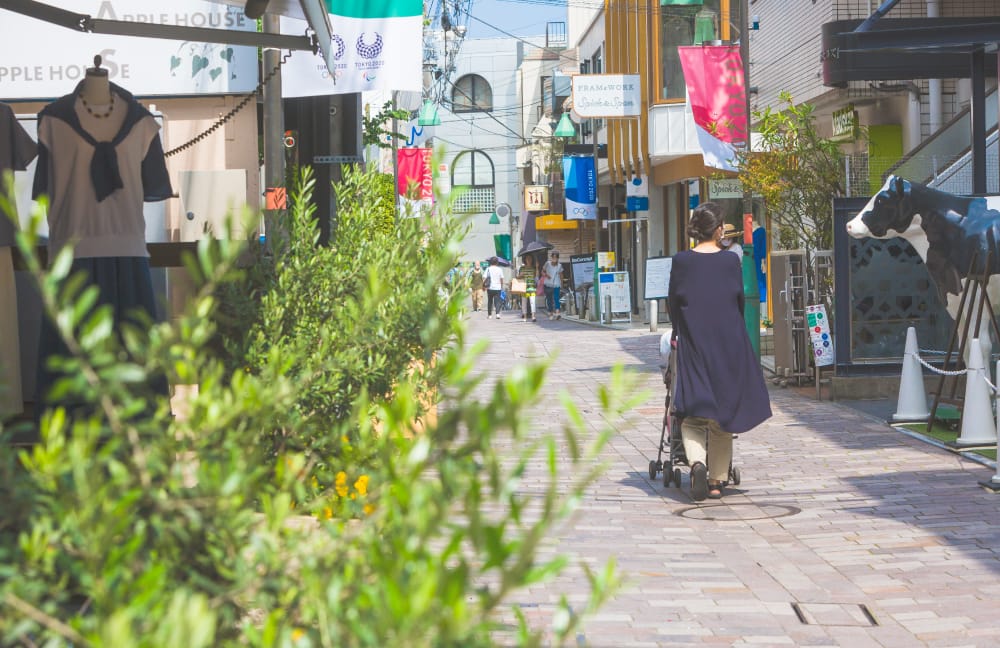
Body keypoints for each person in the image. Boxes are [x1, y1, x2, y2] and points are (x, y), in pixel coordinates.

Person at [667, 202, 771, 501]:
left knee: (693, 415)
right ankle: (715, 481)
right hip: (729, 342)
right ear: (717, 230)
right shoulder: (729, 261)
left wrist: (679, 329)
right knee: (723, 417)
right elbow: (739, 300)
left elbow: (674, 302)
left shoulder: (681, 261)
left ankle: (696, 461)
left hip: (695, 341)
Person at [541, 251, 564, 319]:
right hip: (548, 284)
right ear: (551, 257)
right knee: (549, 300)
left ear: (558, 258)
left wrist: (562, 284)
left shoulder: (559, 265)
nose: (554, 259)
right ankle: (550, 313)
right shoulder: (547, 263)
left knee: (556, 298)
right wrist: (546, 275)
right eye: (553, 257)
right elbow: (542, 271)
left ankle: (557, 313)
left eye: (556, 257)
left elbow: (561, 275)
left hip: (556, 284)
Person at [517, 254, 538, 322]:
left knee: (533, 302)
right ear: (525, 260)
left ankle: (533, 317)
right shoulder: (522, 268)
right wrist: (520, 275)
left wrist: (537, 267)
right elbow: (518, 277)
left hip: (532, 288)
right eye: (527, 258)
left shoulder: (533, 268)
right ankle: (525, 317)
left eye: (530, 258)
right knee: (524, 302)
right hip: (524, 288)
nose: (529, 260)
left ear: (532, 260)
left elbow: (537, 276)